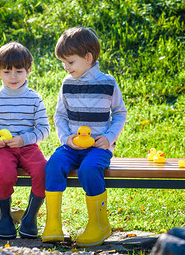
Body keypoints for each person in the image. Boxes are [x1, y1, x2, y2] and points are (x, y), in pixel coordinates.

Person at [42, 27, 127, 246]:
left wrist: (108, 137)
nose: (65, 67)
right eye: (63, 62)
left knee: (89, 169)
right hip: (71, 146)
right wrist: (66, 139)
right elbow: (60, 115)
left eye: (70, 62)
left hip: (98, 148)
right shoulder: (67, 84)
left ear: (88, 58)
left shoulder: (108, 83)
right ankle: (53, 223)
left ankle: (99, 224)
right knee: (53, 165)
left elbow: (119, 113)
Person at [0, 42, 50, 239]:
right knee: (5, 174)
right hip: (1, 148)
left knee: (43, 171)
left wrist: (24, 139)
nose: (13, 76)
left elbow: (44, 129)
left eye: (19, 71)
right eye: (7, 71)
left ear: (28, 71)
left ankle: (29, 217)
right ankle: (4, 216)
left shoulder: (34, 98)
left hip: (28, 147)